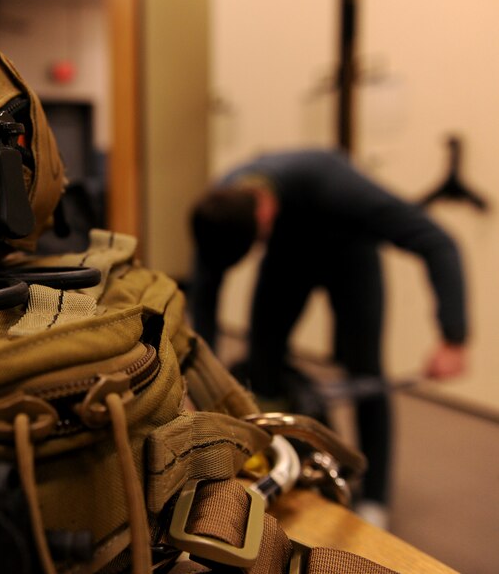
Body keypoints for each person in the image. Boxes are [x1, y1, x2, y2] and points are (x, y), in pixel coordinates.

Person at [190, 148, 468, 517]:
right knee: (263, 362)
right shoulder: (223, 204)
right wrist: (202, 377)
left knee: (365, 372)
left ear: (264, 213)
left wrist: (453, 336)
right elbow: (207, 287)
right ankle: (278, 467)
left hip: (350, 258)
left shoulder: (334, 185)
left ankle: (374, 499)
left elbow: (437, 242)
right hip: (288, 260)